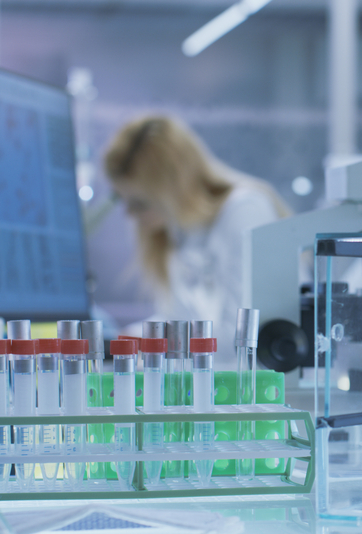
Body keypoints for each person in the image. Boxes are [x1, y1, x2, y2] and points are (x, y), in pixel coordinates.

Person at [104, 116, 291, 366]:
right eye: (122, 199)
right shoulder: (179, 232)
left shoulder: (245, 211)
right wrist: (126, 338)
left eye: (140, 203)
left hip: (268, 386)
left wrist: (146, 343)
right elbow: (179, 320)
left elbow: (241, 339)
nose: (129, 214)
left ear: (174, 190)